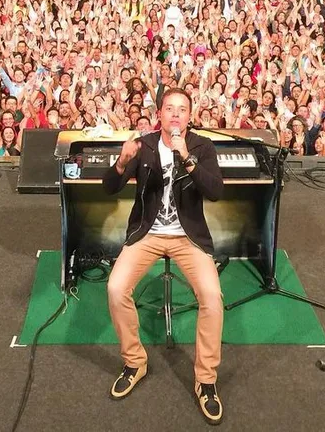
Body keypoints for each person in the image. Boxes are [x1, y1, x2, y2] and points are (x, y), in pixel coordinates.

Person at [102, 88, 226, 425]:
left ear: (190, 115)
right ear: (159, 114)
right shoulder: (142, 145)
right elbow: (108, 187)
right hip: (148, 233)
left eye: (182, 109)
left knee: (212, 297)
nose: (175, 114)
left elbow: (216, 191)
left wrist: (186, 157)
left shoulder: (201, 147)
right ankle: (134, 361)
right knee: (115, 289)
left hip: (188, 237)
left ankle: (206, 380)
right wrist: (122, 161)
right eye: (169, 108)